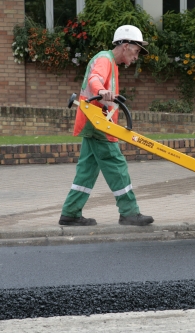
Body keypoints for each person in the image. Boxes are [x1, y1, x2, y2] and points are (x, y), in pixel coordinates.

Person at [59, 25, 154, 227]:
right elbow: (95, 79)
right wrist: (102, 91)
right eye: (136, 51)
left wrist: (103, 92)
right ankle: (129, 212)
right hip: (99, 124)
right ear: (126, 46)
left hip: (92, 122)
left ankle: (71, 212)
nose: (136, 57)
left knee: (86, 170)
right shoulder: (105, 59)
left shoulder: (110, 62)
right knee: (116, 164)